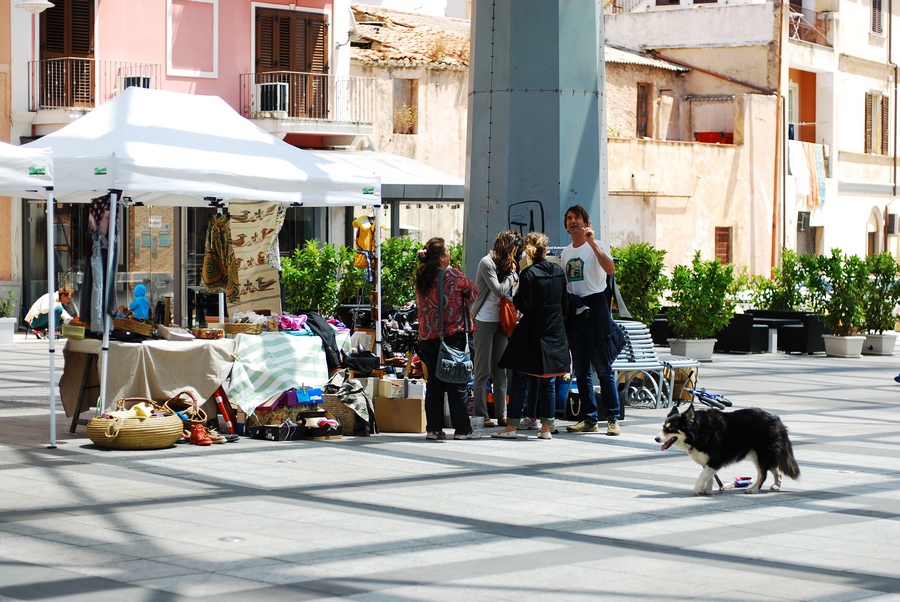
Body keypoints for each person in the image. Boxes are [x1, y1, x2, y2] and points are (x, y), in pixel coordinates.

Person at [494, 233, 569, 439]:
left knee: (519, 379)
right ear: (545, 251)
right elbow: (565, 305)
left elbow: (525, 306)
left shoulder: (528, 274)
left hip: (532, 333)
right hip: (554, 332)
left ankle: (511, 427)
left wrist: (516, 298)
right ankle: (546, 428)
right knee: (549, 383)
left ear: (528, 253)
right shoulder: (557, 271)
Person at [561, 204, 622, 436]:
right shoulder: (566, 253)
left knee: (603, 368)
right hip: (575, 310)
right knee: (581, 370)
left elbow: (610, 268)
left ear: (586, 222)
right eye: (569, 218)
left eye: (576, 218)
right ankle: (589, 417)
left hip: (595, 308)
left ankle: (613, 416)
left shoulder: (597, 246)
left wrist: (593, 243)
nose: (572, 221)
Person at [415, 237, 481, 440]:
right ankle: (462, 429)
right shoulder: (453, 275)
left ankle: (433, 429)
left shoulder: (422, 277)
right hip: (451, 336)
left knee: (434, 383)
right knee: (457, 382)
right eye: (447, 251)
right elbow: (473, 292)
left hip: (427, 336)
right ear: (442, 257)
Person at [470, 230, 522, 428]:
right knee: (482, 369)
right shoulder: (487, 263)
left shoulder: (506, 265)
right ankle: (482, 414)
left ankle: (502, 414)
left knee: (501, 369)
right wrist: (512, 275)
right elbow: (498, 289)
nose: (516, 252)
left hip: (501, 321)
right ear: (508, 247)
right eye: (515, 248)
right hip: (483, 320)